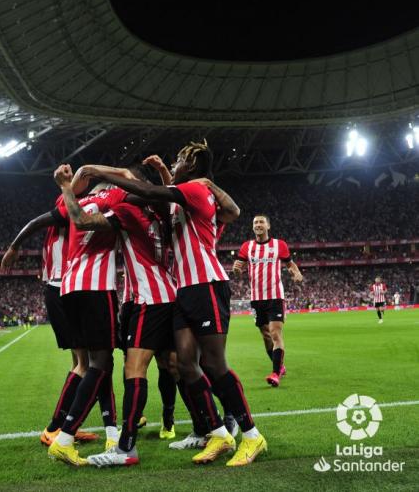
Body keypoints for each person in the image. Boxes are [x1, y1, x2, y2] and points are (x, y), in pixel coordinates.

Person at [80, 141, 267, 467]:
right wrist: (163, 176)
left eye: (179, 158)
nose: (174, 161)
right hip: (184, 291)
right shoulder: (185, 196)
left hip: (207, 284)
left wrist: (104, 176)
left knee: (214, 365)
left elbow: (151, 193)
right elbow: (171, 198)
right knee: (185, 364)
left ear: (192, 166)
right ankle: (220, 433)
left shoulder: (195, 188)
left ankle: (251, 436)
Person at [60, 165, 177, 467]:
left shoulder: (125, 211)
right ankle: (218, 426)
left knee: (133, 369)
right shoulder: (163, 211)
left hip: (147, 299)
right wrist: (162, 172)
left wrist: (76, 180)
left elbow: (82, 220)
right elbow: (155, 186)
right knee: (178, 364)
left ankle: (125, 447)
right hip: (167, 294)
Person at [1, 193, 101, 448]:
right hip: (63, 288)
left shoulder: (56, 227)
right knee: (86, 365)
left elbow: (37, 225)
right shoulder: (67, 214)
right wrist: (14, 247)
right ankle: (55, 427)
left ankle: (69, 424)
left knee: (79, 361)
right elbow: (35, 222)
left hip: (56, 288)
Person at [46, 165, 129, 466]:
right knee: (101, 363)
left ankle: (102, 431)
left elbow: (69, 212)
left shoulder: (70, 200)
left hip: (69, 287)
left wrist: (68, 184)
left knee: (95, 363)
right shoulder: (115, 197)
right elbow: (129, 181)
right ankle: (65, 437)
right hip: (95, 287)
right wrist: (101, 172)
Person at [232, 214, 303, 387]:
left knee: (275, 333)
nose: (258, 224)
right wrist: (236, 270)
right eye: (255, 222)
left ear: (268, 226)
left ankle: (275, 373)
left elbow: (290, 264)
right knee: (265, 335)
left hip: (275, 296)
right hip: (256, 298)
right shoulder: (246, 247)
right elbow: (238, 269)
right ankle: (279, 366)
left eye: (261, 222)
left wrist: (297, 273)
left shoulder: (280, 245)